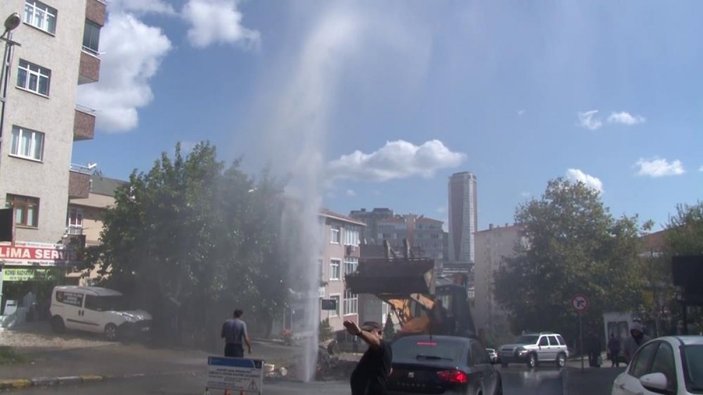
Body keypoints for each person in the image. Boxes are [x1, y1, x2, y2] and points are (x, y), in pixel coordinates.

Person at [344, 320, 393, 395]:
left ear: (379, 333)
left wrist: (360, 333)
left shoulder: (383, 346)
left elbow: (376, 341)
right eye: (365, 331)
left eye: (368, 331)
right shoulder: (373, 351)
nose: (365, 334)